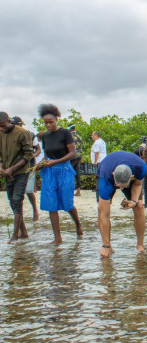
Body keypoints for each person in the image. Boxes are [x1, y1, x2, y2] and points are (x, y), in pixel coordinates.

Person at [36, 104, 83, 244]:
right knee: (51, 204)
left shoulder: (65, 133)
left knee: (67, 203)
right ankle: (57, 237)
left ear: (56, 119)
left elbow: (72, 153)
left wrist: (55, 162)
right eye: (46, 123)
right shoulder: (45, 136)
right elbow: (46, 155)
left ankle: (78, 225)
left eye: (51, 122)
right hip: (49, 172)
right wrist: (40, 164)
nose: (48, 125)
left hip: (64, 170)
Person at [97, 151, 147, 257]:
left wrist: (134, 201)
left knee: (139, 206)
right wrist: (105, 246)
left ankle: (140, 245)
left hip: (131, 172)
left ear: (131, 177)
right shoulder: (106, 176)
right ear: (113, 175)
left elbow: (138, 184)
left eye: (123, 186)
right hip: (107, 171)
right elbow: (104, 214)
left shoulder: (141, 167)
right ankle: (107, 245)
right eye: (118, 186)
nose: (120, 189)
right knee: (102, 209)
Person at [0, 112, 33, 243]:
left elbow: (28, 155)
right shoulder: (1, 134)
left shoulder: (22, 133)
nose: (1, 129)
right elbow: (1, 155)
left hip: (21, 171)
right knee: (11, 200)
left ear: (10, 122)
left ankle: (15, 235)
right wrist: (1, 167)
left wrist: (12, 168)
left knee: (17, 199)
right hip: (7, 173)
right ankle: (23, 232)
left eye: (2, 126)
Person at [12, 116, 41, 221]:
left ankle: (35, 210)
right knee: (18, 193)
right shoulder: (10, 136)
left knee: (29, 190)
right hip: (15, 166)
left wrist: (30, 156)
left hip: (28, 166)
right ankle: (20, 215)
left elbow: (38, 150)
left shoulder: (30, 134)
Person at [91, 131, 107, 200]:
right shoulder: (102, 141)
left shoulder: (97, 142)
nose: (92, 137)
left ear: (95, 135)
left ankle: (98, 190)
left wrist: (95, 161)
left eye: (92, 135)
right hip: (103, 160)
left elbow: (97, 153)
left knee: (98, 176)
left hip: (99, 161)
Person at [68, 124, 83, 196]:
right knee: (77, 174)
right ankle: (78, 190)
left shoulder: (70, 137)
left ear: (70, 128)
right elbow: (81, 148)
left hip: (72, 157)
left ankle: (69, 190)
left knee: (69, 173)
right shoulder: (79, 136)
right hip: (79, 157)